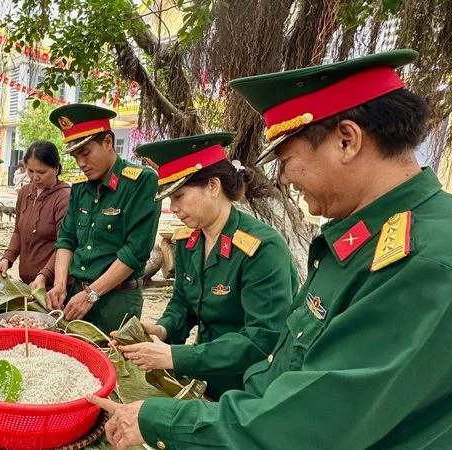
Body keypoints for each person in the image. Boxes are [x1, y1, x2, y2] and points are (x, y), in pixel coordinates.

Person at [88, 49, 452, 450]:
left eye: (287, 159)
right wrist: (164, 334)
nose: (285, 178)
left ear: (346, 141)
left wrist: (162, 416)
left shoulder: (423, 260)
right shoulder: (356, 238)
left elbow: (314, 420)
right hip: (240, 407)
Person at [119, 132, 298, 399]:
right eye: (169, 199)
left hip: (252, 389)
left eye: (179, 196)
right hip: (206, 381)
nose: (174, 208)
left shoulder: (261, 248)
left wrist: (175, 356)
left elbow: (261, 340)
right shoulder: (190, 243)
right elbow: (182, 303)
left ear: (213, 186)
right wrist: (163, 329)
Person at [46, 104, 161, 332]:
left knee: (113, 362)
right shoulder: (80, 188)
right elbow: (67, 238)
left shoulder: (140, 182)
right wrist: (60, 284)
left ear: (108, 142)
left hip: (117, 301)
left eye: (86, 153)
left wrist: (91, 295)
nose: (81, 163)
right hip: (76, 293)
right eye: (75, 156)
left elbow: (135, 252)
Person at [0, 141, 71, 290]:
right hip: (27, 283)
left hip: (52, 286)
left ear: (56, 169)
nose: (35, 177)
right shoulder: (25, 193)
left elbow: (65, 244)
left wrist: (44, 275)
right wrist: (7, 258)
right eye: (30, 171)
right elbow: (18, 230)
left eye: (41, 172)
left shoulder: (64, 198)